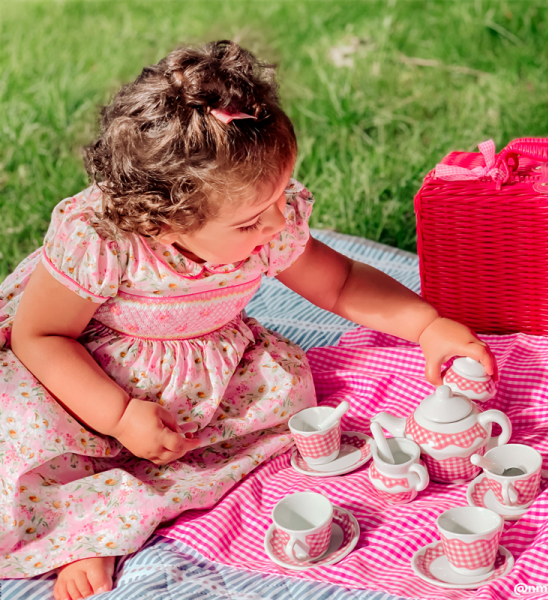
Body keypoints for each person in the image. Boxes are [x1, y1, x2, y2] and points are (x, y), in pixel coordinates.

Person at [0, 41, 495, 600]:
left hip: (200, 374)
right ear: (165, 222)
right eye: (255, 219)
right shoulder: (103, 239)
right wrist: (116, 416)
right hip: (80, 370)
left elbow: (341, 283)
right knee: (21, 442)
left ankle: (123, 503)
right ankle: (81, 532)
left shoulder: (266, 223)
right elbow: (39, 336)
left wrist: (426, 325)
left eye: (284, 197)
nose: (281, 221)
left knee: (283, 408)